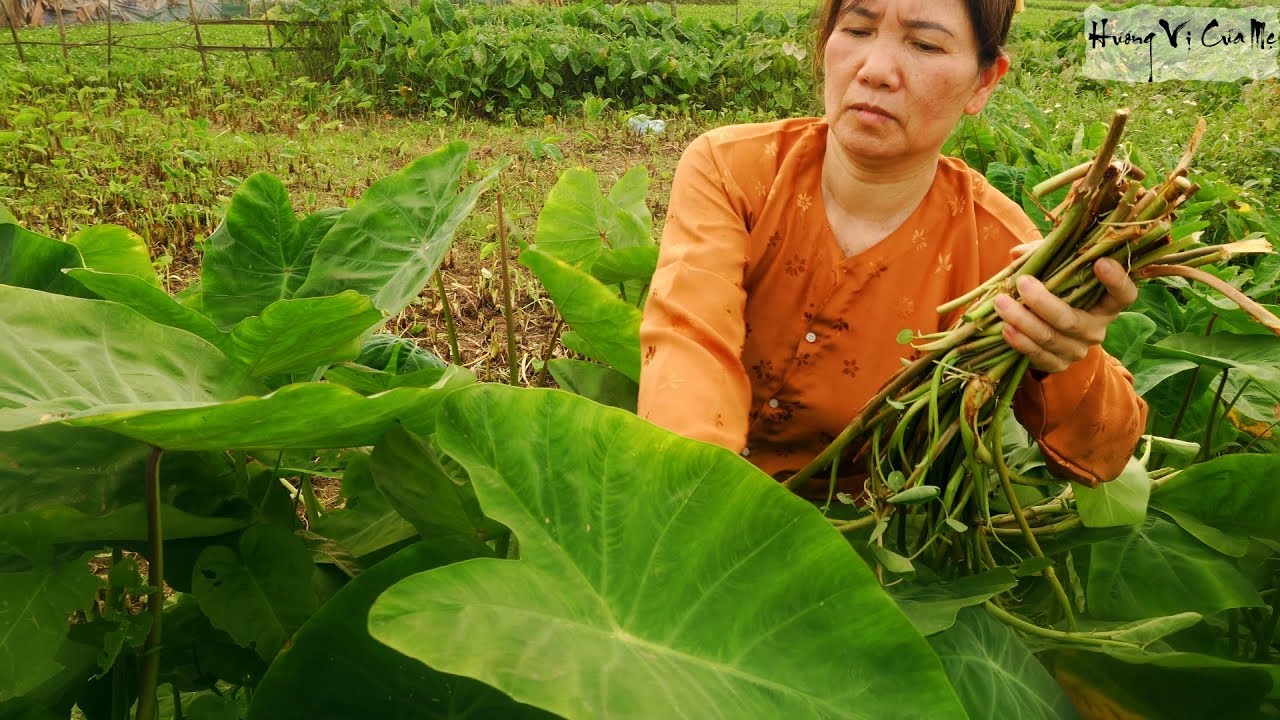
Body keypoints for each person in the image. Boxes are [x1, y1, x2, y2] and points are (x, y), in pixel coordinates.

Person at [636, 0, 1147, 492]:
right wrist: (698, 508)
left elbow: (1104, 449)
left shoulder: (999, 249)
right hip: (699, 500)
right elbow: (689, 349)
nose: (875, 69)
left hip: (860, 535)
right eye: (857, 31)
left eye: (924, 45)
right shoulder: (735, 171)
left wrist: (1062, 355)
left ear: (984, 81)